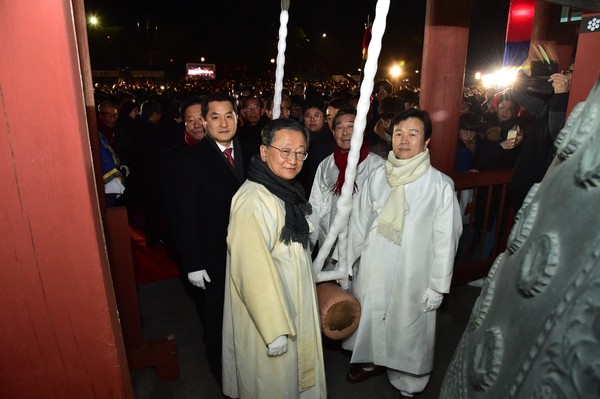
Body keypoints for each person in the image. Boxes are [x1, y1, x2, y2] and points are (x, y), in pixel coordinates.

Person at [344, 108, 462, 398]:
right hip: (375, 264)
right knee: (372, 315)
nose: (404, 140)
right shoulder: (377, 177)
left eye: (413, 133)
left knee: (409, 326)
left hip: (414, 272)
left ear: (426, 141)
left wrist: (438, 285)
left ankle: (408, 379)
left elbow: (448, 238)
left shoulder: (439, 185)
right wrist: (345, 264)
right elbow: (359, 222)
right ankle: (371, 361)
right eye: (398, 133)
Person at [222, 118, 327, 399]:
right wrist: (274, 330)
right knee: (273, 384)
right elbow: (250, 268)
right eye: (285, 150)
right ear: (265, 151)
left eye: (300, 152)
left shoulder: (286, 191)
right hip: (270, 316)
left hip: (294, 301)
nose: (293, 160)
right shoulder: (254, 199)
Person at [176, 92, 251, 387]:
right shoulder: (190, 159)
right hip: (213, 258)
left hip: (249, 254)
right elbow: (184, 214)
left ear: (238, 118)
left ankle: (247, 374)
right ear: (204, 122)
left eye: (229, 115)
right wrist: (192, 263)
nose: (223, 123)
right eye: (215, 117)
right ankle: (224, 380)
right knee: (218, 323)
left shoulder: (251, 152)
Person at [308, 108, 383, 272]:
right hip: (329, 245)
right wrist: (308, 250)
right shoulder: (326, 166)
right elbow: (314, 207)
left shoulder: (378, 167)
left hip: (363, 252)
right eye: (339, 128)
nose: (345, 133)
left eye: (351, 126)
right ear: (333, 132)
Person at [296, 97, 334, 198]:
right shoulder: (297, 137)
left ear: (325, 118)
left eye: (317, 115)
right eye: (308, 116)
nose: (312, 119)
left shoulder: (333, 139)